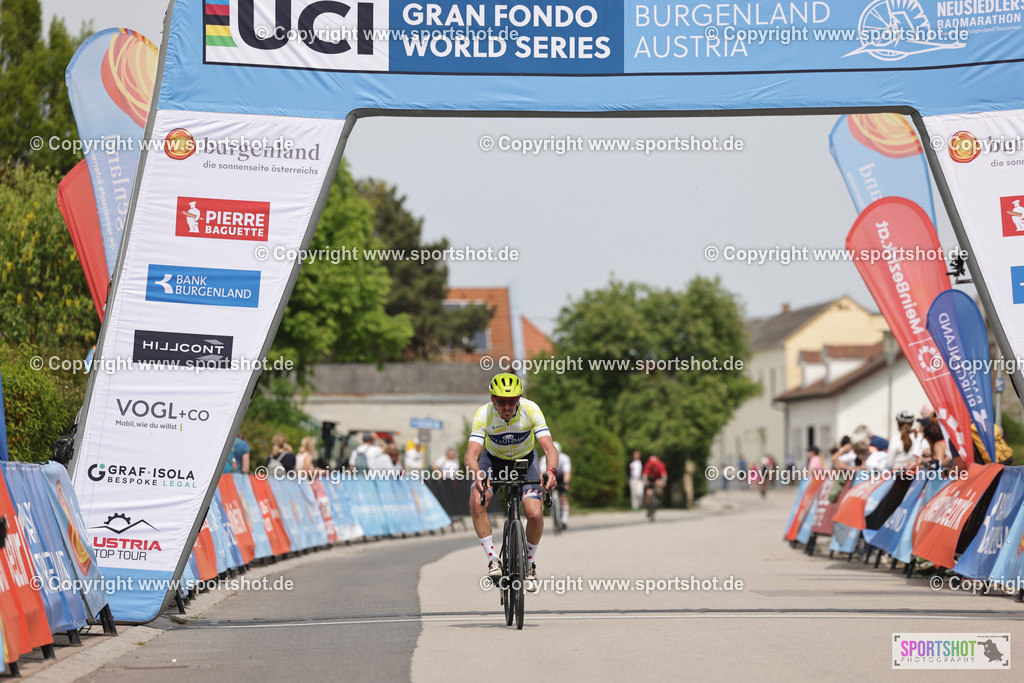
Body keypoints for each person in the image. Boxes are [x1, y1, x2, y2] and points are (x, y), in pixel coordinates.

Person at [466, 373, 558, 594]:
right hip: (493, 460)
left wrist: (551, 471)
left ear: (519, 399)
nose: (506, 407)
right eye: (500, 402)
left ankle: (529, 563)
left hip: (523, 461)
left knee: (534, 513)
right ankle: (493, 560)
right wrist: (478, 473)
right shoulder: (484, 414)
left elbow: (548, 448)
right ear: (492, 399)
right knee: (477, 500)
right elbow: (471, 455)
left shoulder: (531, 409)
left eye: (512, 401)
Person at [541, 441, 572, 529]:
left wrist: (566, 483)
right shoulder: (544, 458)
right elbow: (542, 472)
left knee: (563, 496)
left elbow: (567, 472)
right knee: (544, 491)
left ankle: (564, 520)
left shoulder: (565, 458)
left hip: (561, 477)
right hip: (549, 475)